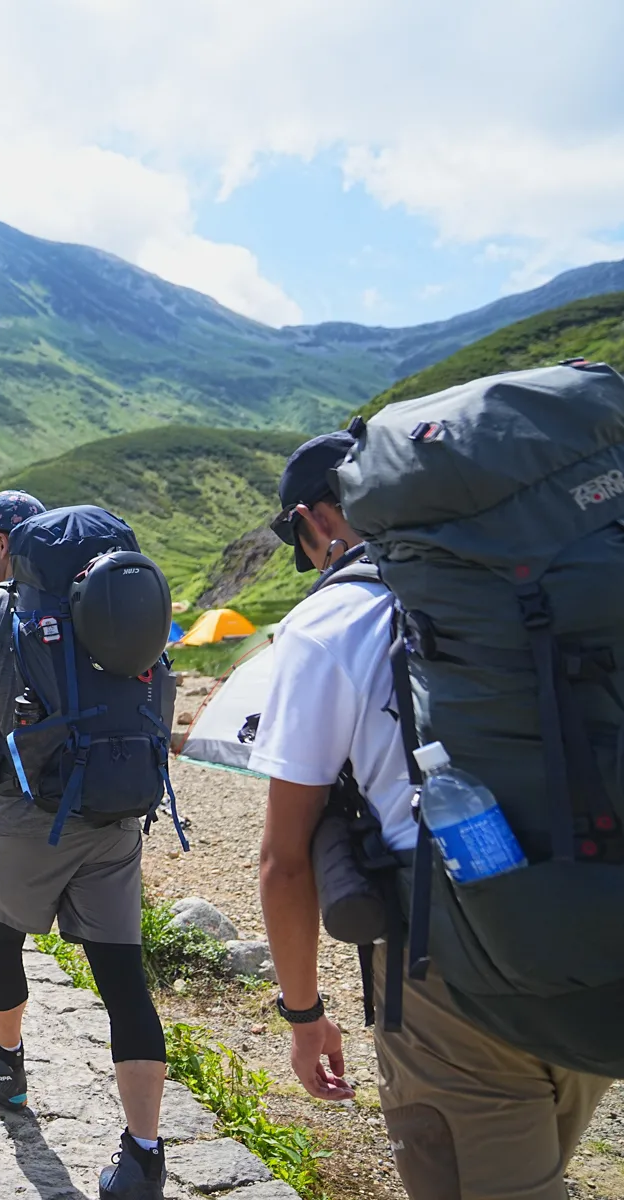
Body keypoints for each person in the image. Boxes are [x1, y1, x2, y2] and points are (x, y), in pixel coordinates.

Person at [253, 432, 613, 1199]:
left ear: (317, 520)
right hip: (595, 920)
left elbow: (283, 860)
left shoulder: (328, 625)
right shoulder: (542, 581)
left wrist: (304, 1012)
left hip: (450, 970)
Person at [0, 489, 172, 1200]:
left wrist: (13, 745)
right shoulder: (118, 602)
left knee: (2, 943)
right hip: (118, 811)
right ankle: (145, 1156)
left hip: (29, 812)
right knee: (124, 983)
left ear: (4, 544)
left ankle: (4, 1059)